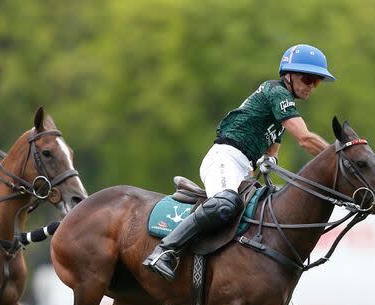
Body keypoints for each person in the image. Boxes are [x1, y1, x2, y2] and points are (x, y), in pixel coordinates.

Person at [143, 44, 335, 281]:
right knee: (226, 204)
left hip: (244, 168)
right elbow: (305, 139)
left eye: (316, 82)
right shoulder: (277, 93)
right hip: (225, 157)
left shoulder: (283, 108)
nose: (311, 87)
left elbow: (274, 146)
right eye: (308, 79)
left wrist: (269, 159)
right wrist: (337, 155)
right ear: (289, 75)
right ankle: (164, 251)